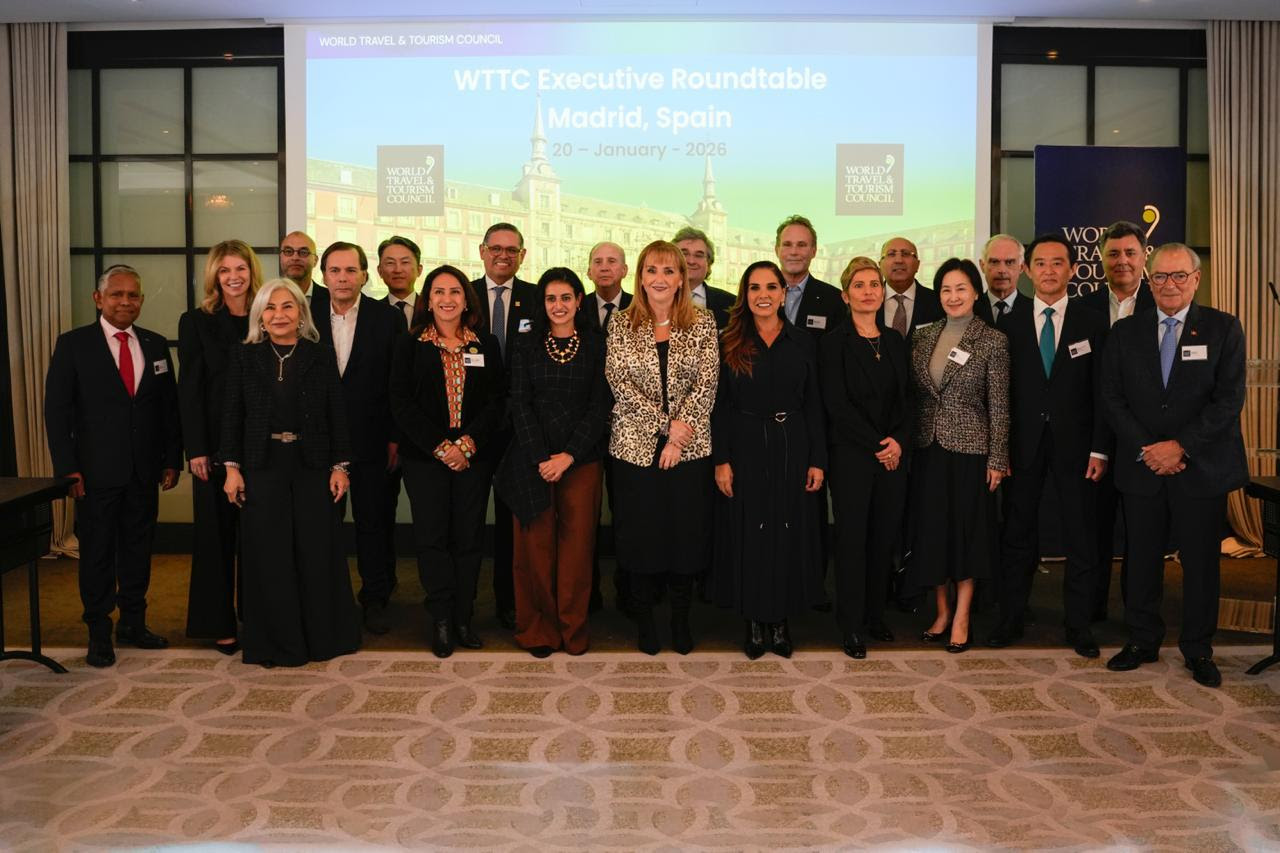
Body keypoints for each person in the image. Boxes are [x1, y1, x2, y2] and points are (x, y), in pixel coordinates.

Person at [1102, 243, 1247, 688]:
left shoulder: (1223, 328)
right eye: (1161, 276)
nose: (1170, 285)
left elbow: (1228, 401)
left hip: (1199, 468)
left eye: (1179, 275)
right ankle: (1142, 640)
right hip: (1143, 465)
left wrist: (1180, 447)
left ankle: (1198, 649)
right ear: (1150, 282)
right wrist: (1149, 449)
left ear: (1196, 279)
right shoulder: (1125, 332)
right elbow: (1112, 398)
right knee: (1141, 559)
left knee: (1201, 563)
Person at [219, 279, 361, 668]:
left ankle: (321, 639)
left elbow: (337, 414)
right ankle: (276, 644)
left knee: (315, 551)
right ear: (259, 317)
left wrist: (340, 467)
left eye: (287, 306)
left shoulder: (321, 355)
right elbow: (231, 415)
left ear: (301, 313)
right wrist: (231, 468)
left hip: (312, 465)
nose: (278, 315)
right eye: (270, 308)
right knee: (269, 555)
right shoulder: (244, 356)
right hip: (261, 467)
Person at [45, 264, 182, 668]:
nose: (125, 301)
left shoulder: (155, 344)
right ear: (98, 298)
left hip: (144, 471)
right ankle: (99, 631)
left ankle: (133, 623)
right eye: (117, 294)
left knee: (138, 550)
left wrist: (171, 459)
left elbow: (168, 409)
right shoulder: (74, 345)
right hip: (94, 473)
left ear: (141, 300)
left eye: (133, 295)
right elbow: (57, 412)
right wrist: (67, 468)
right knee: (98, 554)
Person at [988, 234, 1110, 658]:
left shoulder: (1093, 323)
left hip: (1078, 450)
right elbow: (1000, 396)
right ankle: (1011, 617)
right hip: (1022, 448)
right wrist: (1000, 451)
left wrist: (1100, 449)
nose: (1049, 270)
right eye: (1040, 263)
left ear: (1073, 270)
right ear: (1027, 270)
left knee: (1080, 535)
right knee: (1017, 534)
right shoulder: (1009, 325)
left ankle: (1079, 624)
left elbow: (1103, 392)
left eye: (1058, 263)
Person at [606, 239, 720, 655]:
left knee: (685, 538)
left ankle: (680, 620)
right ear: (640, 278)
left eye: (669, 271)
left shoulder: (703, 322)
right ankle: (645, 622)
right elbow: (620, 384)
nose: (660, 278)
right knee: (641, 538)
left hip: (690, 450)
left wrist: (678, 437)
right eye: (652, 270)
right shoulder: (621, 323)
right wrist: (665, 428)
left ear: (682, 278)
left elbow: (707, 383)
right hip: (634, 450)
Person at [712, 260, 826, 659]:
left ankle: (780, 622)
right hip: (744, 445)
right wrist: (721, 460)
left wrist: (817, 460)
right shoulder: (728, 341)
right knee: (752, 533)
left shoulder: (803, 341)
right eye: (755, 287)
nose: (763, 295)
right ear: (745, 295)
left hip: (792, 443)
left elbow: (814, 404)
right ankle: (754, 622)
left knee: (786, 531)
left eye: (771, 287)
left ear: (783, 293)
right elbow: (719, 407)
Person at [390, 265, 505, 658]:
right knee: (432, 538)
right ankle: (440, 616)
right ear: (428, 300)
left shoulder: (485, 344)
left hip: (474, 459)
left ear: (466, 300)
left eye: (455, 291)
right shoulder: (409, 344)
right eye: (438, 292)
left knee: (469, 539)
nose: (447, 299)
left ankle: (463, 617)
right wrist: (441, 448)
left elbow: (496, 402)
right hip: (425, 459)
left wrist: (467, 446)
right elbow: (400, 403)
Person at [494, 268, 609, 657]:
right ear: (542, 304)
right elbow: (519, 403)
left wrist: (569, 455)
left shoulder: (597, 344)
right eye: (550, 298)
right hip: (533, 459)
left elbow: (600, 405)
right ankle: (539, 630)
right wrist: (542, 457)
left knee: (577, 551)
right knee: (535, 551)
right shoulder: (526, 344)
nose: (558, 306)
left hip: (581, 458)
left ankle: (572, 630)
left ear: (579, 300)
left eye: (565, 298)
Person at [906, 258, 1009, 653]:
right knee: (933, 533)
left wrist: (997, 459)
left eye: (961, 288)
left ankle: (963, 615)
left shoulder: (992, 340)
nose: (953, 296)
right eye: (946, 289)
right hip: (928, 449)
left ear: (976, 293)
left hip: (970, 451)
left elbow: (999, 405)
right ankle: (942, 611)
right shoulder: (923, 336)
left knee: (967, 534)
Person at [312, 241, 406, 636]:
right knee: (324, 526)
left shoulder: (387, 318)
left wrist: (395, 437)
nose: (343, 278)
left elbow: (398, 383)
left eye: (351, 270)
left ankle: (375, 598)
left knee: (374, 523)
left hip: (373, 439)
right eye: (335, 270)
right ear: (323, 276)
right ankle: (328, 600)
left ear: (365, 276)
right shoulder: (305, 316)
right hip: (319, 443)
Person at [820, 256, 910, 659]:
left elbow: (908, 400)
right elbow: (836, 405)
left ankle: (875, 615)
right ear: (845, 295)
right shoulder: (833, 343)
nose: (869, 291)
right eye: (859, 285)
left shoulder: (894, 340)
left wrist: (898, 442)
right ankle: (852, 624)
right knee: (852, 541)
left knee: (883, 538)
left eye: (875, 284)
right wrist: (878, 445)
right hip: (852, 457)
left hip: (893, 456)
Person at [179, 241, 262, 654]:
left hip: (262, 444)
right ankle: (219, 623)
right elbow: (190, 388)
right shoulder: (196, 321)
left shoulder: (268, 314)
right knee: (215, 537)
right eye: (225, 270)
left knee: (258, 537)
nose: (233, 277)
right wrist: (195, 448)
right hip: (212, 446)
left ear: (252, 271)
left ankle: (258, 618)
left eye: (240, 268)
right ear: (214, 275)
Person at [1078, 220, 1157, 621]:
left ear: (1144, 257)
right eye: (1113, 253)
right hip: (1094, 441)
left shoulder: (1162, 304)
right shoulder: (1083, 308)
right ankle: (1092, 612)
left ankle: (1137, 614)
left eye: (1130, 253)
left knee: (1142, 535)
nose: (1121, 261)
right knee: (1094, 530)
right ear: (1100, 258)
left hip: (1145, 440)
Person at [471, 222, 537, 631]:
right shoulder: (462, 296)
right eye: (495, 248)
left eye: (512, 250)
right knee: (469, 516)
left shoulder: (536, 297)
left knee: (514, 519)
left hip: (521, 426)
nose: (503, 256)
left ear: (522, 256)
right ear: (482, 251)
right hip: (473, 424)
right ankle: (463, 605)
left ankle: (509, 600)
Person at [581, 241, 634, 614]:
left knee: (626, 512)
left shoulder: (640, 308)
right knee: (584, 516)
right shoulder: (574, 306)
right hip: (583, 427)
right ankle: (588, 592)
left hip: (630, 426)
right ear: (588, 270)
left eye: (612, 261)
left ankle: (629, 590)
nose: (604, 267)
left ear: (625, 270)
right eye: (597, 261)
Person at [775, 214, 845, 335]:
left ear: (814, 251)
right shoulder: (757, 295)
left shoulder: (835, 300)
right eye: (787, 244)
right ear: (777, 250)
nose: (794, 252)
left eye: (801, 245)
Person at [877, 236, 944, 340]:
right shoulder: (868, 302)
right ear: (880, 265)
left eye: (906, 254)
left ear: (918, 264)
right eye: (891, 254)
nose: (899, 260)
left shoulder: (938, 301)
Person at [674, 226, 734, 329]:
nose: (691, 261)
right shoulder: (648, 301)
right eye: (684, 254)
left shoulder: (731, 304)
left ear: (709, 264)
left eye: (698, 255)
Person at [976, 233, 1025, 328]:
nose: (1002, 270)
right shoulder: (970, 310)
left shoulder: (1034, 310)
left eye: (1009, 262)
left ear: (1021, 267)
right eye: (994, 262)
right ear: (982, 266)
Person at [279, 231, 321, 298]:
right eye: (288, 251)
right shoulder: (267, 298)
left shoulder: (331, 298)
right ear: (280, 257)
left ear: (315, 260)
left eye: (303, 252)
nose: (295, 258)